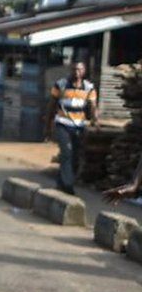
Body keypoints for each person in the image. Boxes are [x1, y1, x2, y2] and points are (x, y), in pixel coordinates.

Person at [45, 61, 100, 195]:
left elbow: (93, 106)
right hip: (63, 123)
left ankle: (61, 182)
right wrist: (48, 125)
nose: (77, 72)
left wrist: (95, 119)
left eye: (80, 70)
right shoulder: (61, 85)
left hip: (78, 126)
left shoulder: (89, 88)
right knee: (67, 152)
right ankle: (68, 185)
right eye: (75, 69)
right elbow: (52, 106)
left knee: (75, 156)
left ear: (84, 71)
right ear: (71, 70)